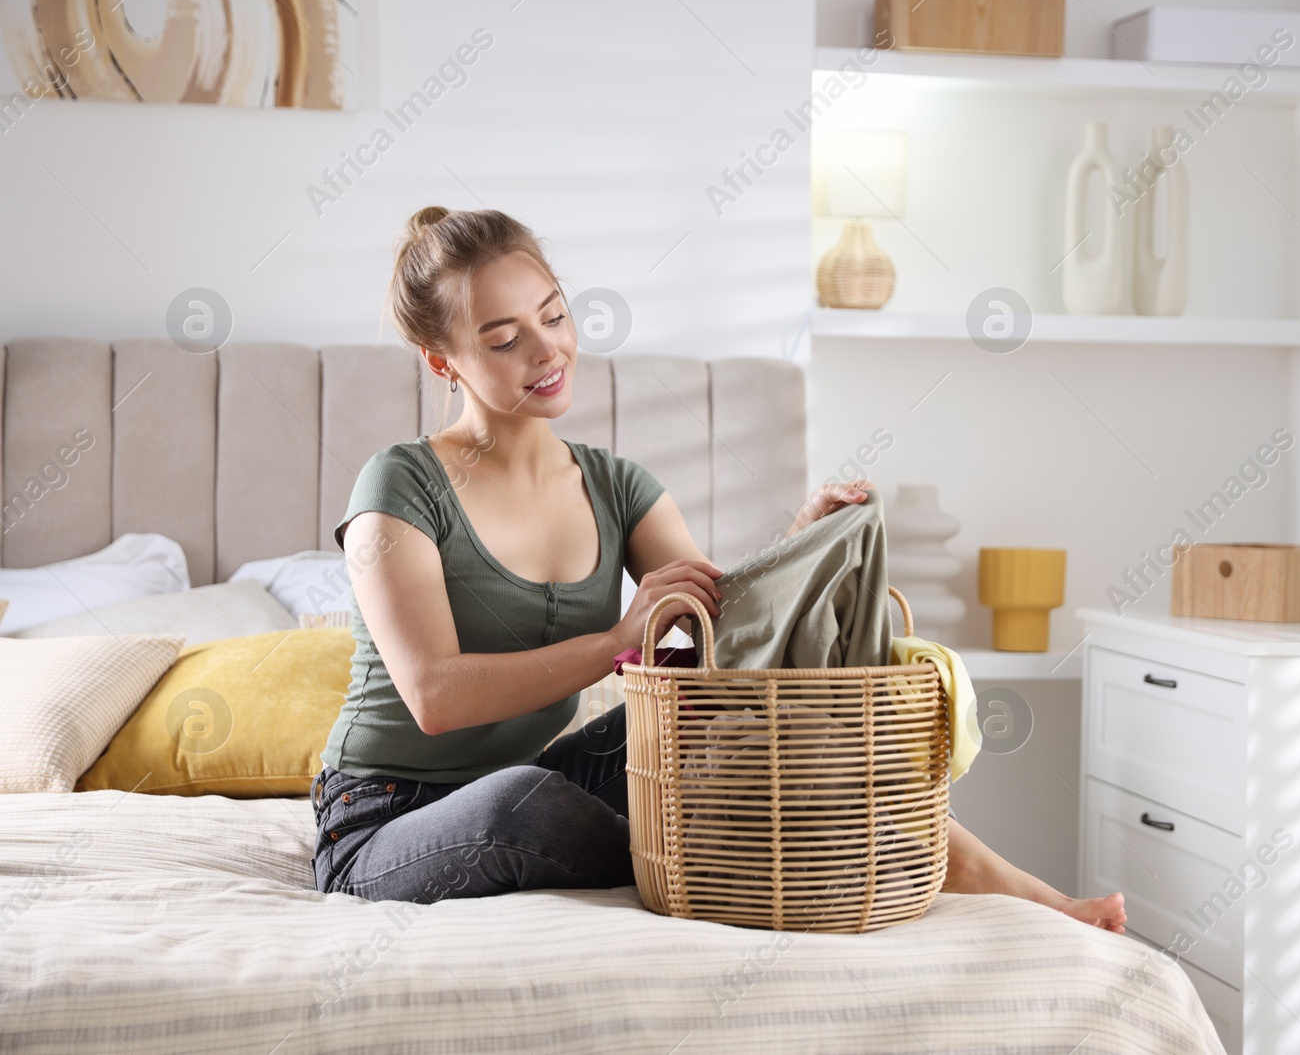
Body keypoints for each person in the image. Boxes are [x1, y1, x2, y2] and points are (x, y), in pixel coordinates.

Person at [310, 205, 1126, 934]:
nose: (547, 348)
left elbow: (720, 632)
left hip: (534, 782)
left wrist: (799, 542)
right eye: (502, 338)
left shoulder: (617, 486)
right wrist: (619, 641)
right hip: (384, 817)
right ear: (441, 361)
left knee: (730, 719)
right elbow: (435, 696)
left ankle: (1006, 883)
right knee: (518, 804)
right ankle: (724, 842)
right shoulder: (401, 483)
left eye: (554, 315)